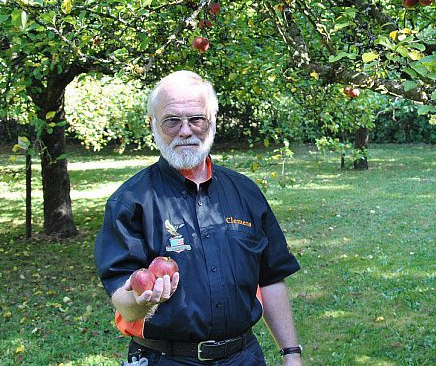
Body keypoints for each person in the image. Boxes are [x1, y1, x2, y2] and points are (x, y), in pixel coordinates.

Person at [94, 70, 303, 365]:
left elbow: (270, 278)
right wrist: (140, 303)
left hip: (243, 357)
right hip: (164, 359)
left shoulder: (245, 192)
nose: (185, 131)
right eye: (172, 121)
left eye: (196, 119)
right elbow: (121, 297)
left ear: (212, 122)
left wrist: (291, 353)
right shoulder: (130, 202)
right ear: (153, 124)